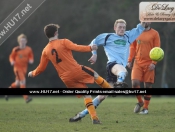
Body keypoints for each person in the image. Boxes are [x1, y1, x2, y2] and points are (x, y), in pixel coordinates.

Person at [28, 23, 112, 124]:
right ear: (56, 33)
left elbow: (41, 68)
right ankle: (109, 89)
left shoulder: (45, 50)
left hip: (66, 79)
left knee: (86, 95)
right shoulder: (63, 41)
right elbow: (77, 47)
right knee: (95, 75)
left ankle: (95, 118)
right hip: (76, 70)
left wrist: (32, 73)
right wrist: (90, 48)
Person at [69, 19, 148, 122]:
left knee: (102, 97)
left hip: (116, 70)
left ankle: (81, 114)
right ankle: (119, 83)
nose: (122, 29)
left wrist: (146, 19)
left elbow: (140, 28)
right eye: (119, 27)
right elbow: (94, 42)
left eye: (123, 27)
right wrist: (94, 54)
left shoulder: (128, 36)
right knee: (123, 72)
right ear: (115, 28)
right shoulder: (107, 37)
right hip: (112, 65)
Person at [127, 22, 161, 114]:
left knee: (148, 85)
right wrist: (130, 60)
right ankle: (140, 101)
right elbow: (132, 47)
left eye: (147, 20)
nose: (145, 22)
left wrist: (154, 63)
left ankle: (145, 108)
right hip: (137, 62)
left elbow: (157, 49)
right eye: (144, 20)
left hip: (149, 63)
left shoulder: (155, 33)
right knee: (134, 83)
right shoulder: (136, 32)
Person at [5, 34, 34, 103]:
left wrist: (31, 60)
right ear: (19, 42)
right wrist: (12, 61)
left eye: (24, 41)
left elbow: (31, 57)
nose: (22, 42)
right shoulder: (16, 49)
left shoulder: (28, 49)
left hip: (24, 69)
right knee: (23, 81)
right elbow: (11, 57)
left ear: (26, 41)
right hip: (17, 68)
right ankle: (26, 98)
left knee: (17, 84)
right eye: (21, 41)